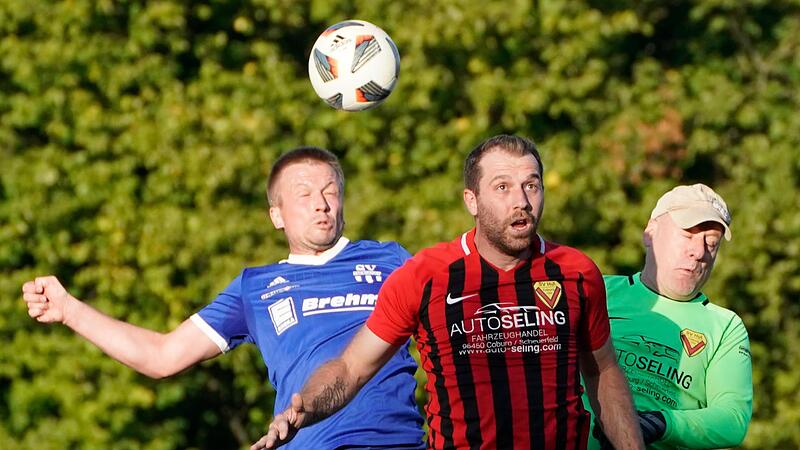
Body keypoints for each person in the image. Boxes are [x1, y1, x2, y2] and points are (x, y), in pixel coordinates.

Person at [253, 135, 645, 450]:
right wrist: (303, 408)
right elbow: (352, 369)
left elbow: (603, 371)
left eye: (532, 185)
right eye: (503, 187)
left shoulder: (576, 272)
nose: (521, 201)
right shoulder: (425, 276)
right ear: (471, 200)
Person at [22, 147, 425, 449]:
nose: (321, 203)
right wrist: (70, 310)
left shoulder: (390, 259)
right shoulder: (256, 287)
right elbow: (162, 356)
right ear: (277, 215)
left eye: (330, 191)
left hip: (397, 443)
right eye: (303, 194)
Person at [587, 184, 753, 449]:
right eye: (688, 235)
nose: (699, 252)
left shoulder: (726, 327)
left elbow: (732, 420)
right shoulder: (597, 290)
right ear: (650, 232)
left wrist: (661, 424)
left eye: (711, 243)